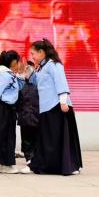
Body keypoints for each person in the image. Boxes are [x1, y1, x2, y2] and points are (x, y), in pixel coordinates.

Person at [27, 39, 83, 176]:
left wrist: (63, 101)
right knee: (49, 140)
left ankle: (69, 166)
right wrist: (30, 72)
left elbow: (61, 82)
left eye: (33, 53)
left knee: (59, 139)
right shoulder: (42, 67)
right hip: (46, 108)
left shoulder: (54, 65)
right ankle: (50, 166)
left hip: (57, 107)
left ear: (41, 52)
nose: (32, 56)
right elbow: (36, 82)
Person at [17, 60, 40, 163]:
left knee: (36, 137)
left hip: (36, 116)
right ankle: (29, 158)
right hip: (25, 116)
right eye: (24, 70)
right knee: (26, 139)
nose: (25, 71)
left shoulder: (38, 82)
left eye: (28, 69)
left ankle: (35, 157)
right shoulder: (20, 83)